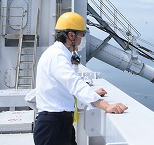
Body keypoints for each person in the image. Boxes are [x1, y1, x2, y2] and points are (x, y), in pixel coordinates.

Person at [33, 12, 128, 145]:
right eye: (81, 35)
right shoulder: (58, 56)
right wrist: (106, 106)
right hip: (53, 127)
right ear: (71, 35)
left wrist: (91, 94)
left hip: (58, 123)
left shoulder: (56, 53)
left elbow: (62, 86)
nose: (82, 39)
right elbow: (74, 83)